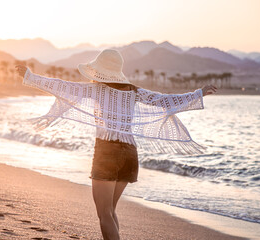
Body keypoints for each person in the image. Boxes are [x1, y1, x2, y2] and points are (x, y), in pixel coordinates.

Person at [16, 49, 217, 240]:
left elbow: (61, 86)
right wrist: (198, 93)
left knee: (104, 213)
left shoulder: (96, 89)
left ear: (100, 71)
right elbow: (166, 100)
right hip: (130, 153)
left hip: (107, 151)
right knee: (110, 211)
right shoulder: (134, 91)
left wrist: (30, 76)